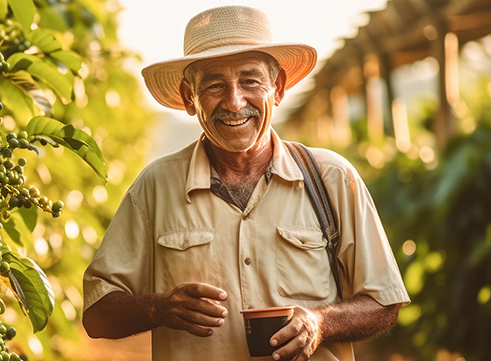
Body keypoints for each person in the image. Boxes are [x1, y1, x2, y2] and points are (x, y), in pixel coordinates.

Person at [82, 5, 410, 361]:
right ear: (190, 98)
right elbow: (98, 314)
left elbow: (384, 301)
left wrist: (319, 323)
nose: (235, 101)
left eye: (250, 81)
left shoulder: (332, 178)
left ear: (278, 88)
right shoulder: (156, 187)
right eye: (214, 85)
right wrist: (159, 308)